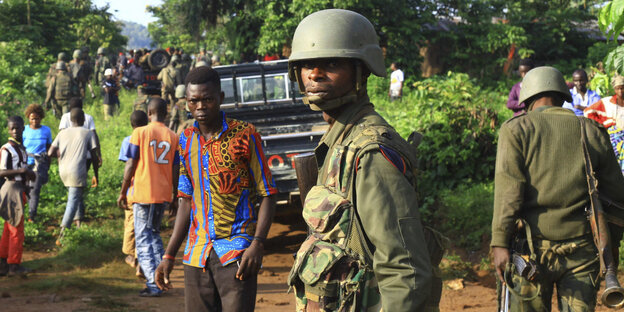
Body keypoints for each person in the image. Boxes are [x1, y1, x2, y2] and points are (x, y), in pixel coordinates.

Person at [285, 9, 436, 311]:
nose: (314, 73)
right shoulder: (341, 139)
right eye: (306, 65)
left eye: (331, 63)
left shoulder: (371, 151)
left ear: (361, 69)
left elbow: (404, 269)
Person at [491, 66, 624, 311]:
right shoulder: (590, 129)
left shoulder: (515, 130)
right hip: (583, 252)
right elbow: (617, 196)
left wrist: (499, 242)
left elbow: (508, 193)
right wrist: (609, 248)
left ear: (528, 98)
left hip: (529, 253)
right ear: (564, 96)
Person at [154, 66, 278, 311]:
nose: (200, 107)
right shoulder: (186, 140)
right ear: (186, 102)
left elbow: (268, 194)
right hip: (196, 255)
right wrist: (169, 255)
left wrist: (257, 243)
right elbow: (185, 201)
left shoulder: (245, 135)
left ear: (220, 98)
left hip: (237, 253)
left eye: (207, 99)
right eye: (193, 101)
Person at [117, 98, 179, 297]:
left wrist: (123, 190)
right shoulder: (173, 136)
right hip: (162, 194)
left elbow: (131, 163)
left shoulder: (140, 132)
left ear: (149, 112)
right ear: (166, 114)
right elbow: (176, 168)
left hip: (143, 193)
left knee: (143, 239)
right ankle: (162, 278)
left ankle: (153, 284)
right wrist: (175, 195)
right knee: (154, 236)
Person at [48, 108, 99, 245]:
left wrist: (61, 156)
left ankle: (77, 225)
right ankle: (62, 234)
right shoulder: (87, 133)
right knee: (72, 200)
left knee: (74, 197)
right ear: (83, 119)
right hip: (77, 170)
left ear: (70, 120)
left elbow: (50, 152)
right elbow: (94, 157)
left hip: (63, 170)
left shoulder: (62, 133)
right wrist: (96, 173)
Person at [0, 116, 36, 276]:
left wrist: (28, 177)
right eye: (12, 128)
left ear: (23, 128)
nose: (15, 131)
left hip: (20, 189)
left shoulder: (21, 149)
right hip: (11, 189)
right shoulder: (6, 149)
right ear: (9, 130)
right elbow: (1, 172)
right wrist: (22, 172)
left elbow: (23, 169)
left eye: (18, 128)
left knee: (9, 227)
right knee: (16, 229)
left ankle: (3, 261)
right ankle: (14, 265)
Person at [118, 110, 149, 278]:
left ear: (132, 125)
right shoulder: (151, 139)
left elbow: (128, 165)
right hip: (148, 189)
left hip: (132, 189)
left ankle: (133, 256)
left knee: (131, 223)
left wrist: (123, 190)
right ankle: (139, 259)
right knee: (144, 226)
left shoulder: (127, 141)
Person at [584, 76, 624, 174]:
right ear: (614, 89)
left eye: (622, 88)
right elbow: (587, 112)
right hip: (615, 136)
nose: (620, 91)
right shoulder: (607, 102)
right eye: (618, 88)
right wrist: (604, 123)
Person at [22, 104, 52, 222]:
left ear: (41, 118)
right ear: (28, 118)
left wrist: (47, 165)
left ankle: (31, 215)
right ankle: (22, 213)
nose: (34, 121)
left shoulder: (46, 130)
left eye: (37, 118)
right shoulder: (24, 130)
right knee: (25, 189)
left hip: (39, 164)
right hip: (25, 164)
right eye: (32, 118)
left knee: (35, 190)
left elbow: (49, 148)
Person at [59, 98, 102, 169]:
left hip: (69, 155)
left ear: (70, 107)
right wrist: (99, 154)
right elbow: (94, 137)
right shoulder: (88, 118)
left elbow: (62, 136)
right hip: (86, 156)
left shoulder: (65, 117)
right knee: (82, 175)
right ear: (82, 107)